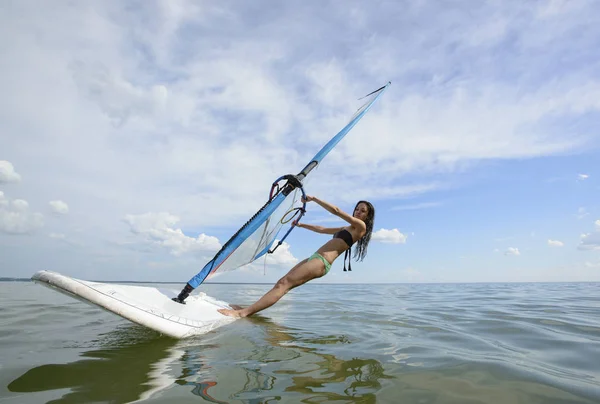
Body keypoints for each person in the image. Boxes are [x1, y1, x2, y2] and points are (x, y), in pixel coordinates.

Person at [217, 195, 375, 318]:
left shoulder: (361, 227)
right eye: (357, 209)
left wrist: (315, 199)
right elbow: (321, 229)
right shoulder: (347, 228)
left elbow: (336, 210)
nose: (358, 212)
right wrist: (301, 225)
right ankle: (248, 310)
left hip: (321, 262)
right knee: (281, 283)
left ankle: (243, 313)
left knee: (284, 284)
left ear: (367, 217)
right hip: (315, 258)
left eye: (362, 211)